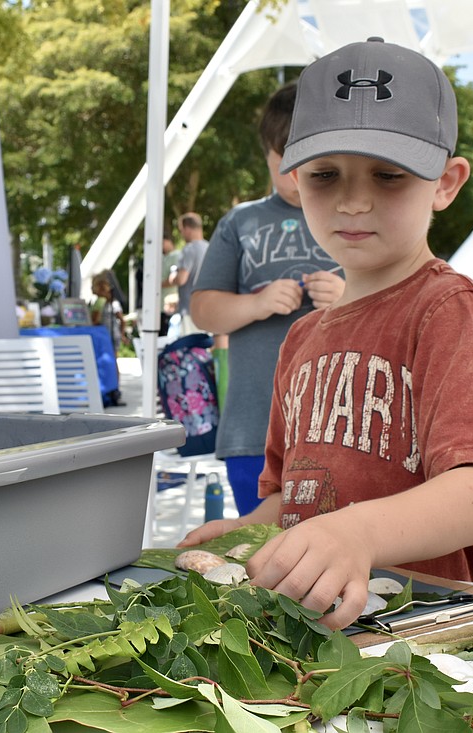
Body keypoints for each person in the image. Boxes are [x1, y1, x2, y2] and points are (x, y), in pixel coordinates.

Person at [180, 37, 473, 630]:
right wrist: (248, 532)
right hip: (321, 632)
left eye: (389, 175)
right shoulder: (301, 338)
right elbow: (297, 498)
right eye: (325, 174)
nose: (354, 201)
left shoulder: (450, 309)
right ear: (293, 176)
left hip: (430, 639)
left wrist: (357, 533)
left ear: (445, 182)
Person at [190, 82, 345, 516]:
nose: (299, 176)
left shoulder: (353, 216)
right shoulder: (242, 221)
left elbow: (392, 304)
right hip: (252, 429)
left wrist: (347, 296)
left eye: (314, 164)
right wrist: (256, 304)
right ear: (267, 156)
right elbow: (203, 310)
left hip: (339, 433)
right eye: (286, 163)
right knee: (259, 558)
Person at [173, 213, 209, 332]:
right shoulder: (210, 248)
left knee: (190, 348)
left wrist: (172, 277)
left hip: (189, 310)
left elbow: (181, 279)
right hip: (207, 309)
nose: (181, 234)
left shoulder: (189, 249)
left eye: (181, 230)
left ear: (187, 229)